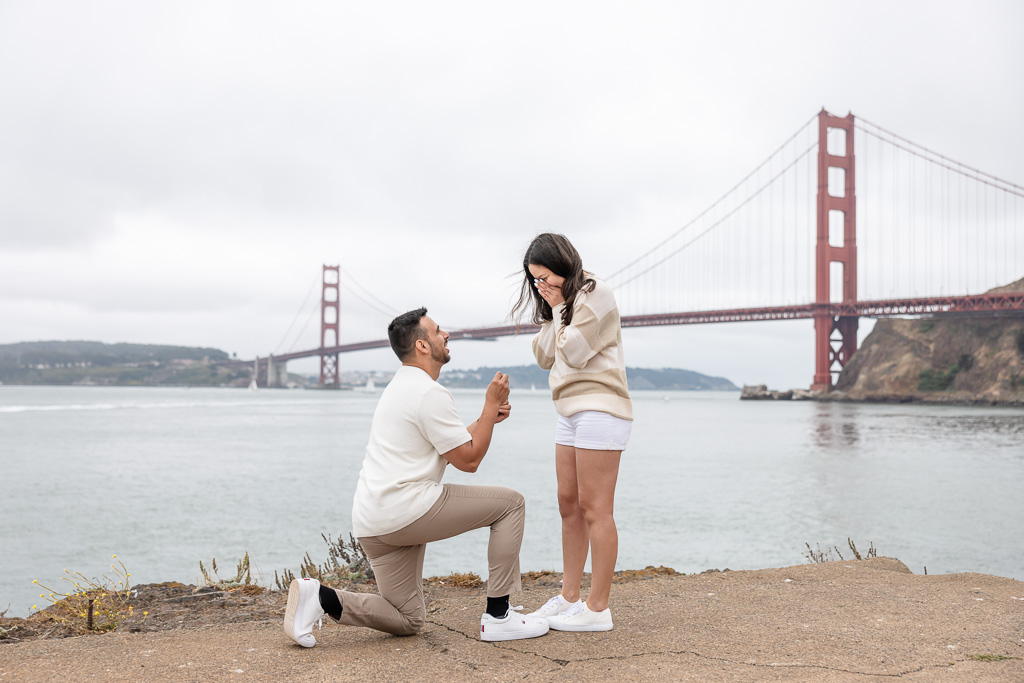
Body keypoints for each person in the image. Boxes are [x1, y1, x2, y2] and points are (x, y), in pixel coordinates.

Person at [284, 307, 549, 646]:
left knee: (408, 619)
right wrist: (488, 404)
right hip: (406, 510)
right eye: (439, 331)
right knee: (511, 504)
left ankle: (321, 598)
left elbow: (448, 448)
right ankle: (499, 616)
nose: (447, 335)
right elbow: (468, 460)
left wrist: (486, 421)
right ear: (423, 345)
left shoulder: (400, 386)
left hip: (374, 523)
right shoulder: (429, 392)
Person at [511, 233, 633, 632]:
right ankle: (569, 596)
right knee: (568, 504)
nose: (540, 287)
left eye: (544, 277)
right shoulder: (562, 304)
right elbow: (545, 354)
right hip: (568, 410)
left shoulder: (595, 294)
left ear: (564, 266)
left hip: (600, 405)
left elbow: (576, 352)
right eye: (534, 281)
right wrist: (556, 307)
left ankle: (598, 610)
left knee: (596, 508)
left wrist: (561, 306)